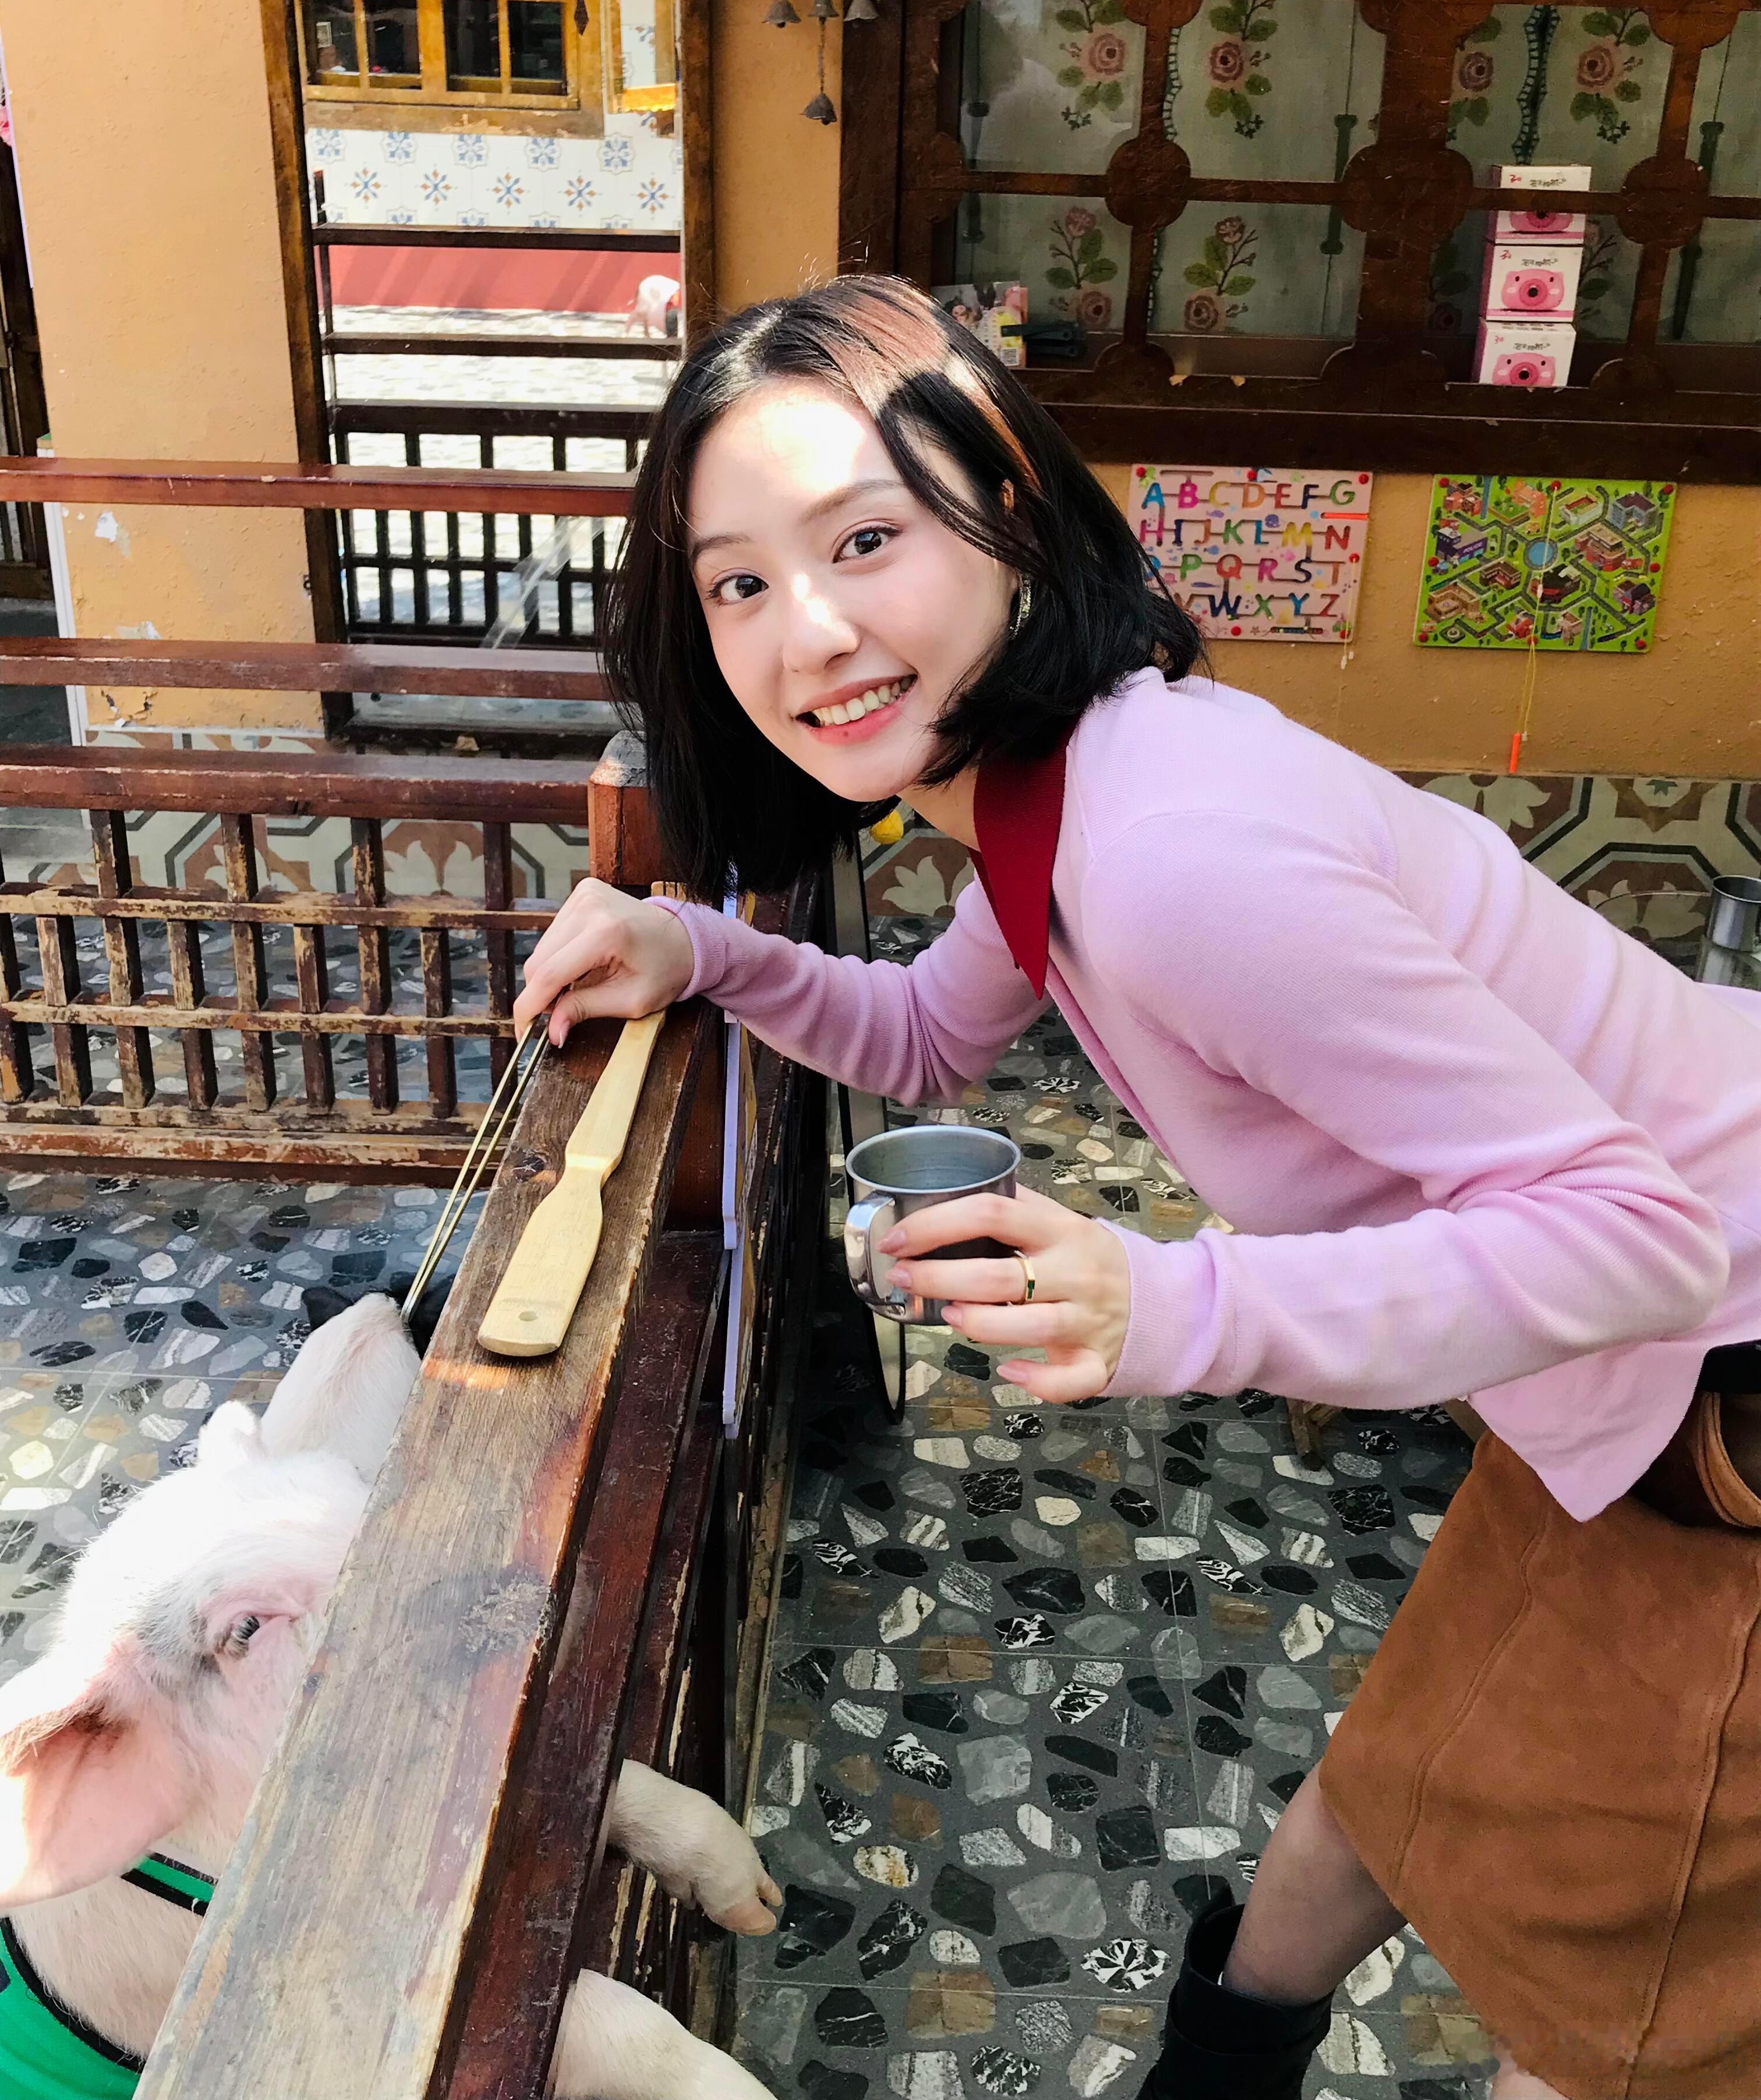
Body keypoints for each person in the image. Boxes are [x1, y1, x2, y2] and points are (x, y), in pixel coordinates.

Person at [512, 274, 1761, 2100]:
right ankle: (1225, 2062)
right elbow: (925, 1033)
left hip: (1720, 1397)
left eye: (867, 538)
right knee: (1410, 1767)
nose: (812, 631)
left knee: (1613, 2030)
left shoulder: (1172, 851)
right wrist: (694, 949)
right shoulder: (1060, 778)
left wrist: (1175, 1301)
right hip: (1603, 1394)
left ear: (1010, 503)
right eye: (739, 584)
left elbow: (1641, 1236)